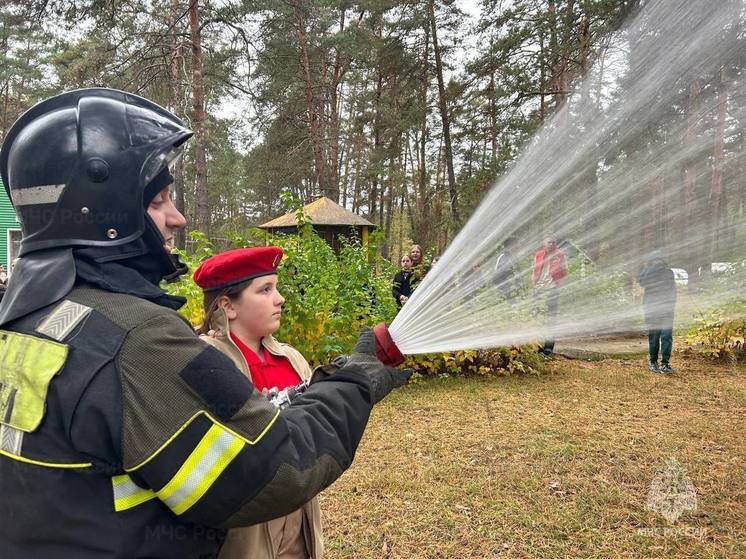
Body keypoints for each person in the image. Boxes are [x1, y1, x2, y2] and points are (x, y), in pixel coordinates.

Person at [0, 88, 410, 558]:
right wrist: (357, 378)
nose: (177, 218)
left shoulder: (25, 320)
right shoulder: (138, 340)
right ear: (100, 213)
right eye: (158, 201)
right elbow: (272, 469)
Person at [194, 246, 324, 559]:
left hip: (298, 520)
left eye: (276, 288)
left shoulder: (291, 359)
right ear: (227, 306)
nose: (279, 299)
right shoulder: (202, 361)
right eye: (265, 290)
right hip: (242, 536)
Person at [638, 251, 677, 373]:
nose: (658, 263)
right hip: (652, 308)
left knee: (665, 335)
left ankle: (664, 364)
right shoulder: (648, 272)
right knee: (656, 336)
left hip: (666, 308)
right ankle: (654, 362)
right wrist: (649, 268)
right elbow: (642, 282)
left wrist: (671, 305)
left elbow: (672, 290)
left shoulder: (668, 273)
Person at [532, 237, 567, 354]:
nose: (551, 244)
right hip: (539, 290)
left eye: (553, 242)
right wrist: (535, 285)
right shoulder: (538, 255)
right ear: (544, 244)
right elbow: (534, 270)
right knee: (536, 318)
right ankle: (535, 346)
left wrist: (558, 287)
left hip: (552, 290)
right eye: (549, 242)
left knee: (551, 319)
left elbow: (565, 272)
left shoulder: (560, 255)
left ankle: (548, 348)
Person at [493, 237, 517, 301]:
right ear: (510, 246)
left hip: (505, 279)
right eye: (515, 244)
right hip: (500, 280)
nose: (517, 246)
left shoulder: (510, 255)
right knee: (508, 298)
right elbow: (500, 271)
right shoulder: (504, 256)